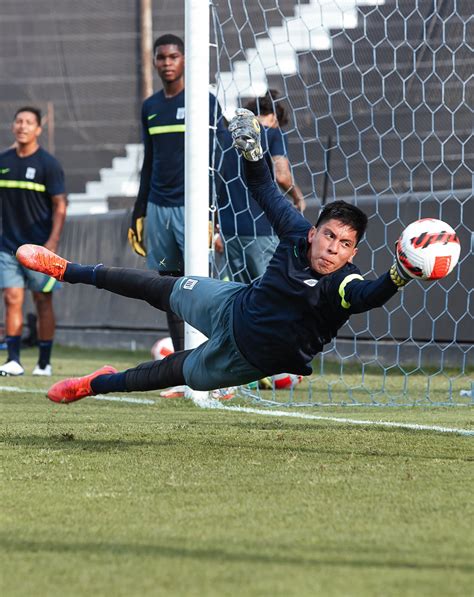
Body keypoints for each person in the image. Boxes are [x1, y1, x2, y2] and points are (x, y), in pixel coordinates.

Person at [16, 108, 412, 402]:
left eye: (344, 244)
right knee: (159, 287)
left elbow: (367, 296)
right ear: (314, 233)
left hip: (243, 357)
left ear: (353, 252)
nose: (332, 248)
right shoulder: (296, 233)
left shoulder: (344, 282)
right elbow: (264, 191)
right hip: (232, 304)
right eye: (329, 235)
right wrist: (254, 154)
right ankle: (69, 270)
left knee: (167, 372)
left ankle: (92, 385)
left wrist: (400, 274)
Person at [127, 34, 223, 375]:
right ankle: (183, 368)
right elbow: (148, 161)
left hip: (194, 210)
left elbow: (220, 160)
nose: (167, 63)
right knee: (169, 287)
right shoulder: (150, 107)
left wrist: (217, 211)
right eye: (161, 58)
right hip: (158, 208)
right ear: (155, 62)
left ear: (185, 60)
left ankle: (217, 363)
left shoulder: (205, 102)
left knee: (202, 287)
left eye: (173, 56)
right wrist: (139, 211)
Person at [0, 106, 67, 376]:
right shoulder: (3, 161)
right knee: (12, 297)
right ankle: (14, 360)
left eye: (29, 122)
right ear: (13, 126)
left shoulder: (48, 165)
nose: (23, 126)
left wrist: (52, 241)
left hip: (40, 248)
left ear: (38, 129)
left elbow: (60, 205)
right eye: (19, 121)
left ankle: (44, 363)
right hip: (8, 247)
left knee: (42, 300)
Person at [216, 90, 305, 284]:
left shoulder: (227, 138)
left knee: (237, 294)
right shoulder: (274, 133)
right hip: (261, 229)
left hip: (229, 231)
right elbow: (282, 175)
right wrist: (297, 197)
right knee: (268, 294)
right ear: (274, 117)